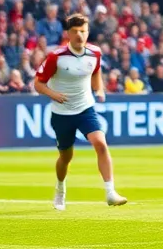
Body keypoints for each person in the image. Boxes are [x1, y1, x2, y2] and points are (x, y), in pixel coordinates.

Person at [33, 13, 127, 211]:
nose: (79, 35)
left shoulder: (95, 53)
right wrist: (53, 94)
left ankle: (110, 192)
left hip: (85, 108)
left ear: (88, 32)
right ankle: (60, 188)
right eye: (75, 31)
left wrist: (99, 88)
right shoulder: (56, 57)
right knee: (66, 158)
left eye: (83, 31)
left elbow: (96, 72)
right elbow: (38, 83)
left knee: (101, 144)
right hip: (62, 114)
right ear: (68, 34)